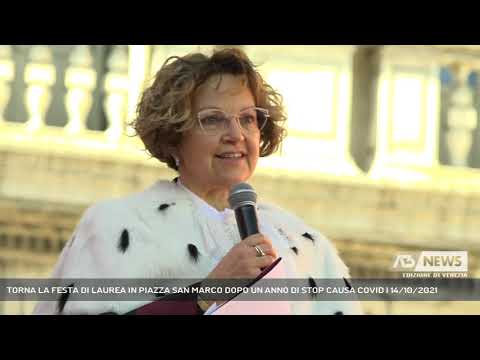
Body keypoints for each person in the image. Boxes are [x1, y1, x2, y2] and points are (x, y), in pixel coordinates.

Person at [33, 48, 362, 315]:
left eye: (247, 119)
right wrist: (207, 293)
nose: (235, 135)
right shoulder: (115, 228)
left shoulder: (307, 247)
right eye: (213, 119)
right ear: (174, 136)